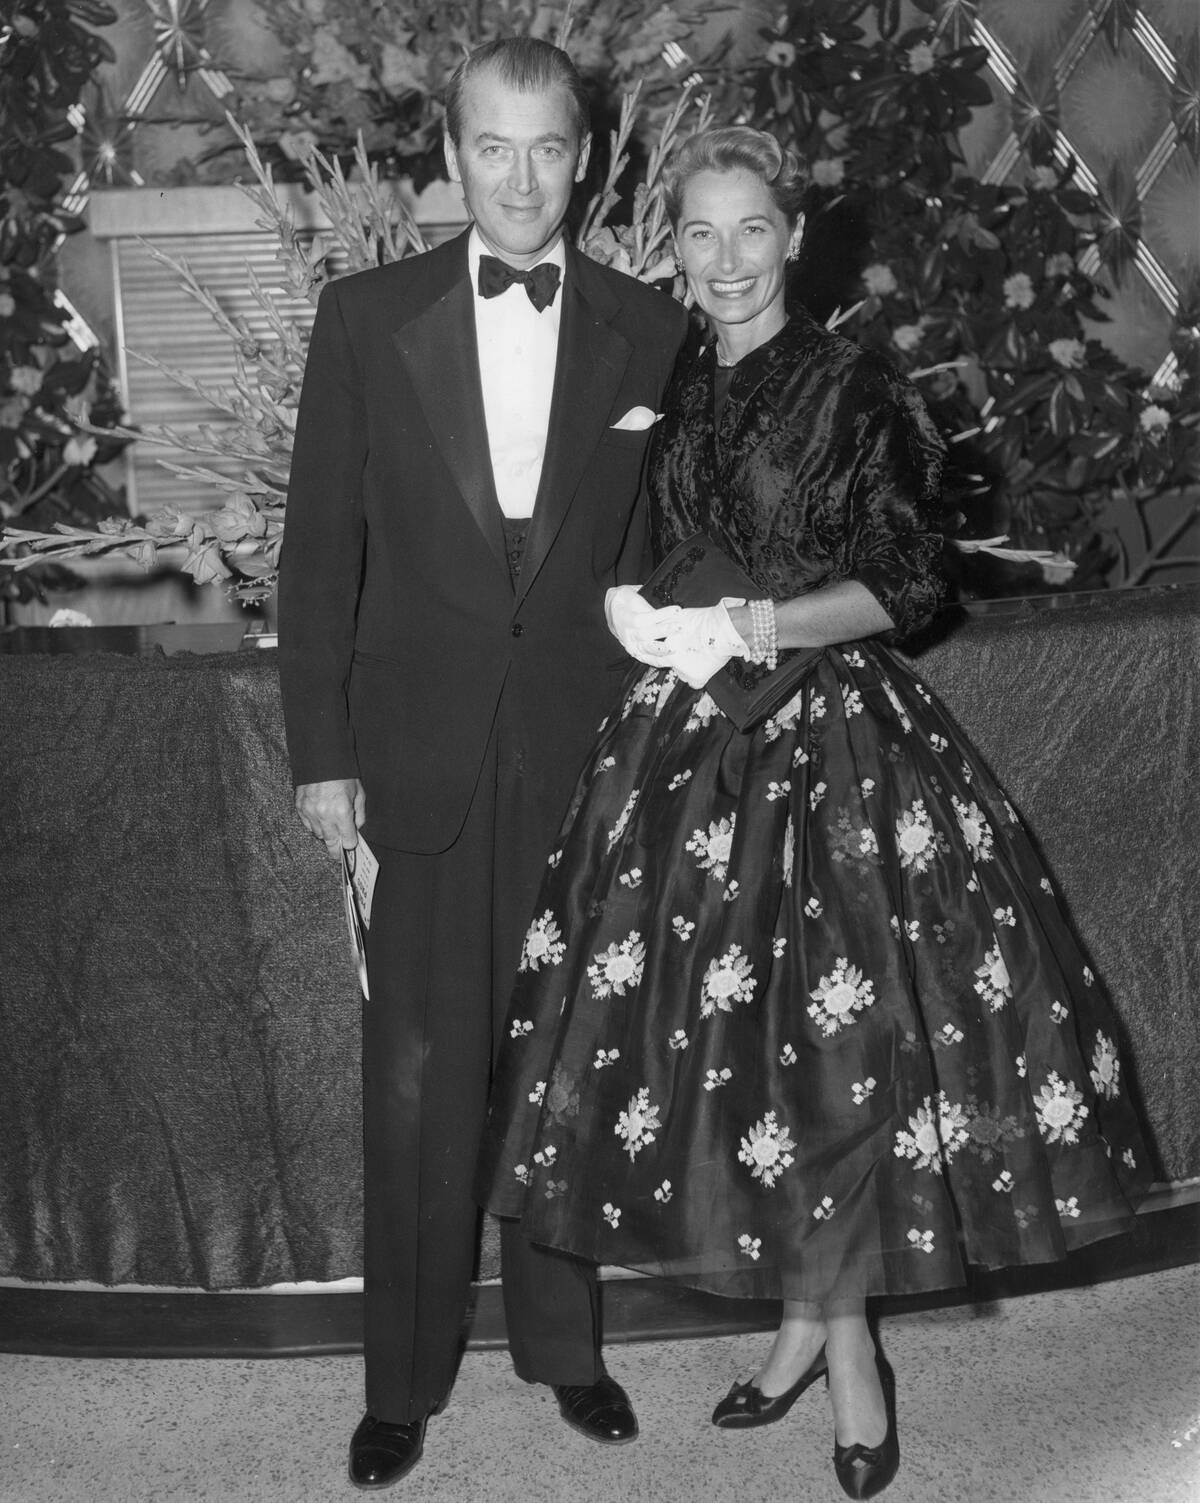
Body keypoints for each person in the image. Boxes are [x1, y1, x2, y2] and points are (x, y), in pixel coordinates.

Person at [478, 126, 1152, 1500]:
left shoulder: (851, 381)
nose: (726, 262)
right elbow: (635, 542)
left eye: (752, 231)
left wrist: (756, 620)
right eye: (701, 235)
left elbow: (911, 582)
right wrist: (645, 611)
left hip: (830, 742)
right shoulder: (664, 374)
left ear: (794, 236)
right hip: (682, 743)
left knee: (830, 1059)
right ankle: (803, 1325)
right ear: (675, 244)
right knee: (735, 1059)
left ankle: (847, 1356)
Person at [277, 37, 689, 1491]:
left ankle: (568, 1352)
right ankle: (402, 1380)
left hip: (586, 760)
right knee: (418, 1080)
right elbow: (319, 558)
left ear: (591, 159)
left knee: (565, 1072)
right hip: (420, 766)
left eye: (549, 149)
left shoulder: (652, 329)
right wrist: (322, 760)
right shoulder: (365, 318)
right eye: (492, 149)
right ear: (450, 159)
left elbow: (652, 562)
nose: (520, 180)